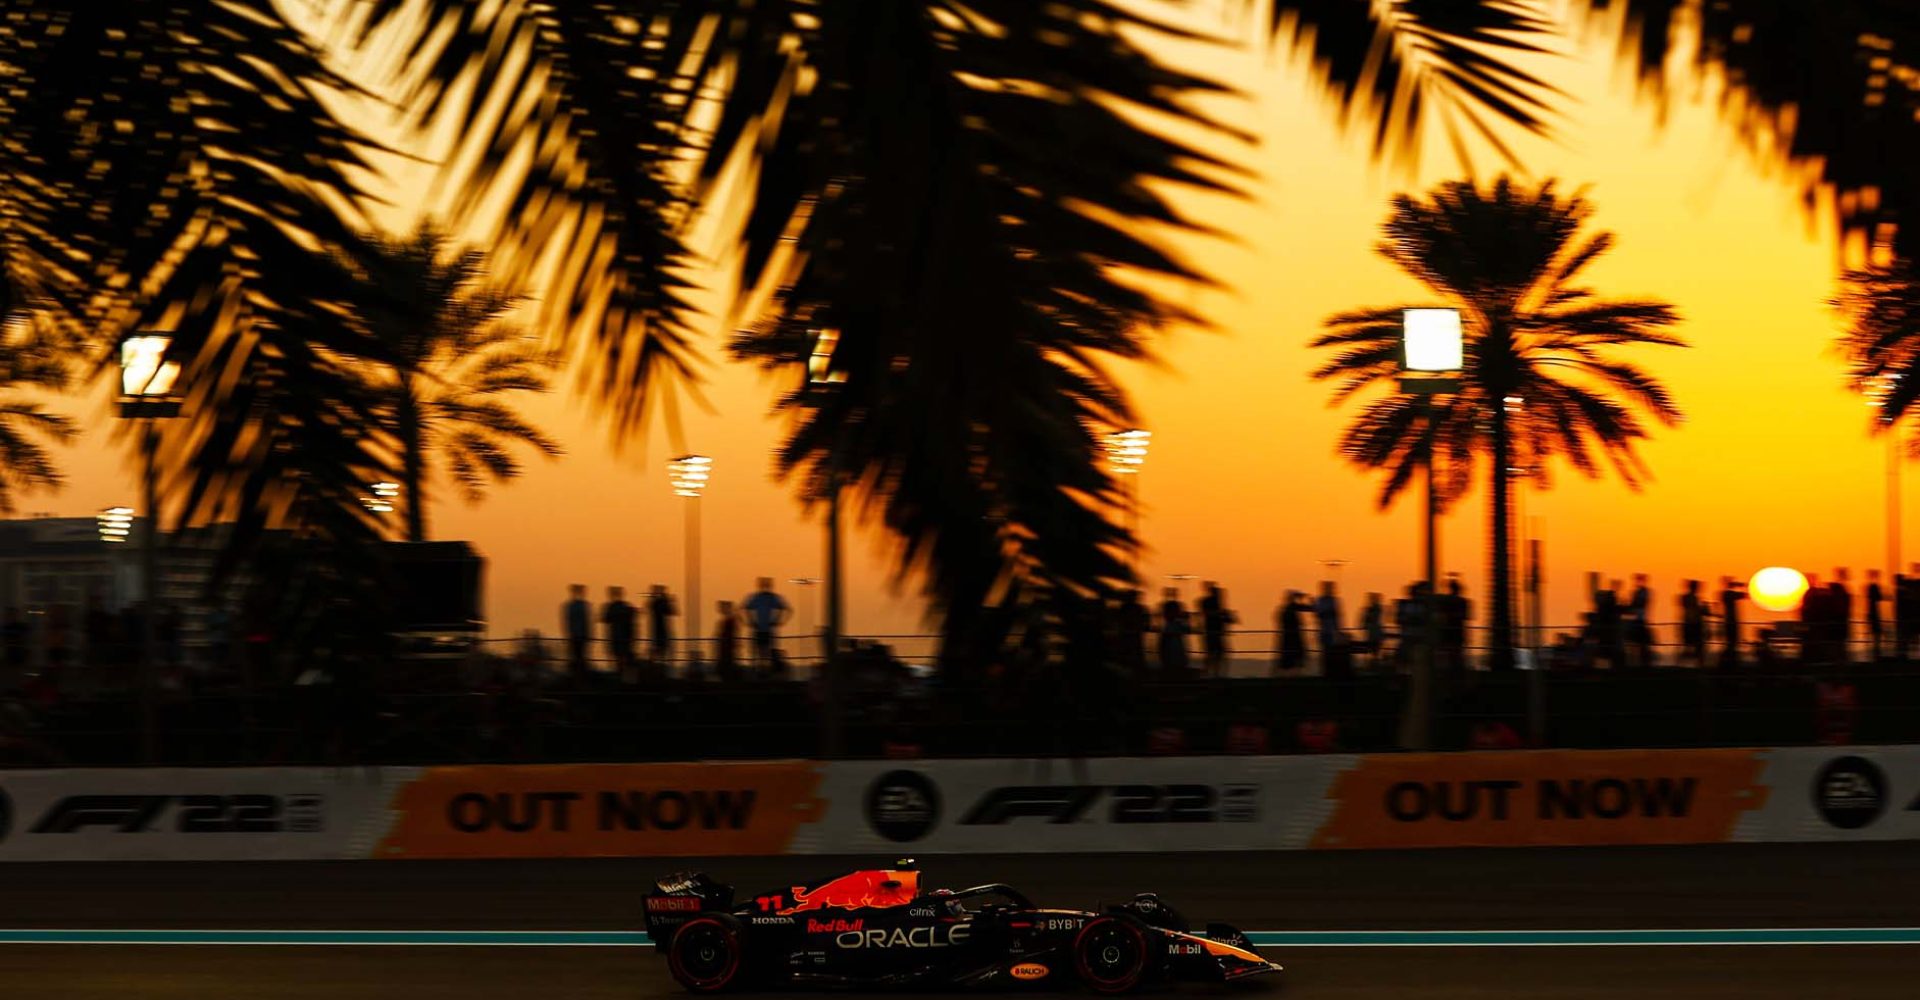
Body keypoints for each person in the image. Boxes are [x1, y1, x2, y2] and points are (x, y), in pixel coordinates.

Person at [741, 578, 792, 670]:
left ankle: (762, 670)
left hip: (765, 630)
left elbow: (787, 609)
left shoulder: (761, 597)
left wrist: (778, 621)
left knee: (763, 652)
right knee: (760, 652)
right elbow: (744, 609)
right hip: (763, 630)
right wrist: (751, 621)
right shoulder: (765, 598)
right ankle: (760, 670)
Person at [600, 586, 637, 677]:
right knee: (623, 660)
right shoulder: (625, 607)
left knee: (620, 660)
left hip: (618, 637)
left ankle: (622, 679)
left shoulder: (612, 607)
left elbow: (605, 619)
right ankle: (625, 679)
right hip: (622, 637)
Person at [1198, 582, 1234, 676]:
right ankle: (1211, 673)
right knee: (1212, 654)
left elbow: (1227, 619)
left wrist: (1227, 617)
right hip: (1212, 633)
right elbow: (1207, 613)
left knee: (1216, 654)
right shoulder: (1209, 603)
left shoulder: (1217, 605)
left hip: (1216, 633)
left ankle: (1214, 673)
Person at [1157, 587, 1191, 673]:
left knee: (1172, 654)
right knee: (1174, 653)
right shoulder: (1174, 607)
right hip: (1172, 634)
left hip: (1171, 633)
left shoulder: (1167, 606)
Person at [562, 584, 592, 680]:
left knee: (578, 656)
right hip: (577, 635)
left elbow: (567, 621)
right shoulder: (582, 606)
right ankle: (578, 675)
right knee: (578, 657)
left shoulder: (571, 606)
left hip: (577, 635)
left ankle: (578, 675)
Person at [1313, 581, 1344, 675]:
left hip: (1331, 631)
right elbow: (1319, 614)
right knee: (1325, 652)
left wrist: (1339, 630)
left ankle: (1331, 671)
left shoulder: (1333, 600)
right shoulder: (1321, 600)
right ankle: (1326, 671)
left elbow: (1338, 616)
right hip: (1325, 631)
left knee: (1332, 652)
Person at [1275, 591, 1307, 673]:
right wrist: (1301, 599)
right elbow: (1307, 608)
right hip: (1294, 638)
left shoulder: (1284, 609)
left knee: (1289, 660)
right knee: (1295, 659)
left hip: (1287, 638)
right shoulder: (1291, 607)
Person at [647, 584, 678, 668]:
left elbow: (673, 612)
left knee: (660, 651)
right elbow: (672, 611)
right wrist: (669, 601)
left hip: (660, 630)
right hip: (660, 630)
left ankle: (657, 667)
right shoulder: (658, 602)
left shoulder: (657, 602)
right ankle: (658, 668)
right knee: (660, 651)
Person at [1679, 580, 1707, 668]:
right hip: (1693, 624)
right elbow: (1698, 610)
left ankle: (1684, 665)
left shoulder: (1686, 597)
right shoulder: (1692, 598)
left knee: (1690, 646)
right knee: (1697, 646)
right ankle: (1699, 666)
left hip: (1689, 623)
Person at [1718, 576, 1745, 668]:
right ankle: (1731, 662)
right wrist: (1740, 585)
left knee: (1730, 643)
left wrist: (1736, 585)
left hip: (1729, 620)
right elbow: (1744, 595)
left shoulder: (1724, 594)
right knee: (1732, 643)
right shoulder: (1728, 594)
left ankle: (1729, 661)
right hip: (1731, 621)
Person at [1627, 574, 1653, 667]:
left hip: (1641, 620)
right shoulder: (1637, 592)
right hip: (1636, 620)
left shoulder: (1644, 592)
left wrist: (1633, 602)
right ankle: (1635, 663)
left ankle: (1643, 663)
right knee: (1635, 643)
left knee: (1642, 644)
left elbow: (1639, 603)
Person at [713, 600, 741, 682]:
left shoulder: (730, 620)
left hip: (727, 648)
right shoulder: (729, 620)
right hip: (725, 647)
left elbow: (731, 633)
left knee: (726, 668)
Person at [1361, 592, 1387, 669]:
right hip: (1373, 633)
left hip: (1375, 633)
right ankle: (1373, 665)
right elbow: (1365, 621)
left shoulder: (1375, 609)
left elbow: (1368, 620)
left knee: (1375, 651)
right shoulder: (1373, 609)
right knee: (1374, 651)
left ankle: (1374, 665)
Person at [1866, 569, 1886, 662]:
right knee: (1877, 633)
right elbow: (1880, 597)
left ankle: (1874, 653)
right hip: (1875, 612)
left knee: (1874, 633)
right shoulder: (1874, 587)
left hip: (1872, 612)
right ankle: (1876, 653)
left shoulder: (1869, 587)